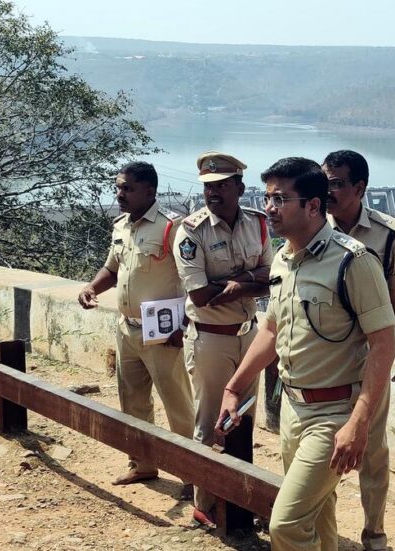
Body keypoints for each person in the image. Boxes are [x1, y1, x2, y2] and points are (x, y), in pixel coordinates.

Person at [217, 157, 395, 550]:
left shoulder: (353, 261)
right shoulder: (283, 259)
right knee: (318, 518)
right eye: (267, 197)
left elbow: (384, 343)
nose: (268, 208)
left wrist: (359, 423)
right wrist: (234, 387)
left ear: (313, 206)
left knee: (286, 525)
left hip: (334, 415)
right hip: (293, 410)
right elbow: (271, 328)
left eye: (280, 199)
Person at [78, 162, 195, 498]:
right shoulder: (122, 227)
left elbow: (193, 281)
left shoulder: (172, 228)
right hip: (127, 329)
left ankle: (193, 473)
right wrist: (92, 288)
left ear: (150, 191)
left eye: (127, 188)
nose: (120, 194)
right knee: (133, 401)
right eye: (119, 187)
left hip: (163, 333)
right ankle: (142, 463)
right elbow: (113, 268)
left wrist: (184, 325)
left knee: (178, 405)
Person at [322, 149, 395, 550]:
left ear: (359, 188)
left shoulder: (386, 233)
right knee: (321, 447)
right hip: (324, 357)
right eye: (324, 181)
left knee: (372, 451)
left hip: (369, 358)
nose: (327, 190)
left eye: (337, 183)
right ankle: (320, 529)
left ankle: (374, 534)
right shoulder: (312, 225)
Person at [173, 151, 273, 526]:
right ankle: (206, 502)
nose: (212, 193)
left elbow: (271, 276)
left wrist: (235, 285)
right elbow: (199, 295)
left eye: (221, 186)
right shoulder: (191, 232)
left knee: (244, 420)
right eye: (208, 187)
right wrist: (248, 282)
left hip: (249, 337)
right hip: (210, 340)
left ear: (239, 187)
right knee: (211, 421)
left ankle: (242, 498)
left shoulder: (258, 225)